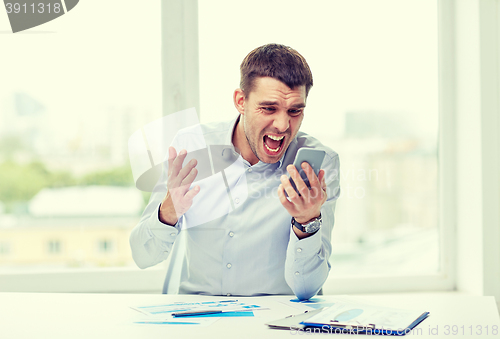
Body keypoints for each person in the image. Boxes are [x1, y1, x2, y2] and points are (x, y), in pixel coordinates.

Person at [129, 43, 340, 300]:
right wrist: (169, 211)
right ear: (241, 101)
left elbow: (308, 289)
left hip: (275, 320)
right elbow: (143, 255)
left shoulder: (319, 166)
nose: (283, 125)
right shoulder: (192, 147)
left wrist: (307, 222)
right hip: (197, 316)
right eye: (269, 108)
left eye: (295, 111)